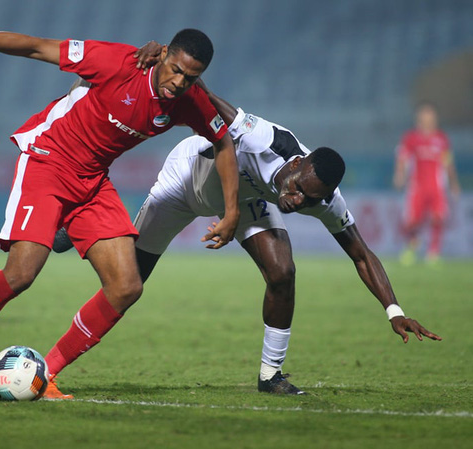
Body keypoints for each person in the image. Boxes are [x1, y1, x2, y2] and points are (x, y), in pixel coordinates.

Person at [0, 26, 241, 399]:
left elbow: (223, 142)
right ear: (163, 55)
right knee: (21, 274)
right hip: (48, 159)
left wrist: (232, 211)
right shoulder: (117, 62)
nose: (178, 82)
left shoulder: (189, 100)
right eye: (175, 69)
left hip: (92, 181)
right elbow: (35, 47)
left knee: (126, 287)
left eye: (190, 78)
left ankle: (45, 376)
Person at [48, 80, 442, 396]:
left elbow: (361, 253)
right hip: (185, 181)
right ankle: (77, 221)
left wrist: (394, 310)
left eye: (309, 199)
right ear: (298, 163)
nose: (296, 200)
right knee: (126, 285)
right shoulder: (263, 138)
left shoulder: (323, 198)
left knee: (282, 273)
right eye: (297, 188)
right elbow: (207, 99)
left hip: (246, 197)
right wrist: (174, 75)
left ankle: (271, 375)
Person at [393, 102, 461, 265]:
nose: (427, 118)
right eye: (424, 115)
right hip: (417, 186)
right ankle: (412, 245)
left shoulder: (441, 139)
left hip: (437, 187)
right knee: (412, 221)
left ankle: (433, 252)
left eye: (430, 115)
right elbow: (402, 158)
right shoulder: (411, 138)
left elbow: (448, 163)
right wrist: (399, 175)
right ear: (419, 118)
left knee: (438, 218)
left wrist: (454, 183)